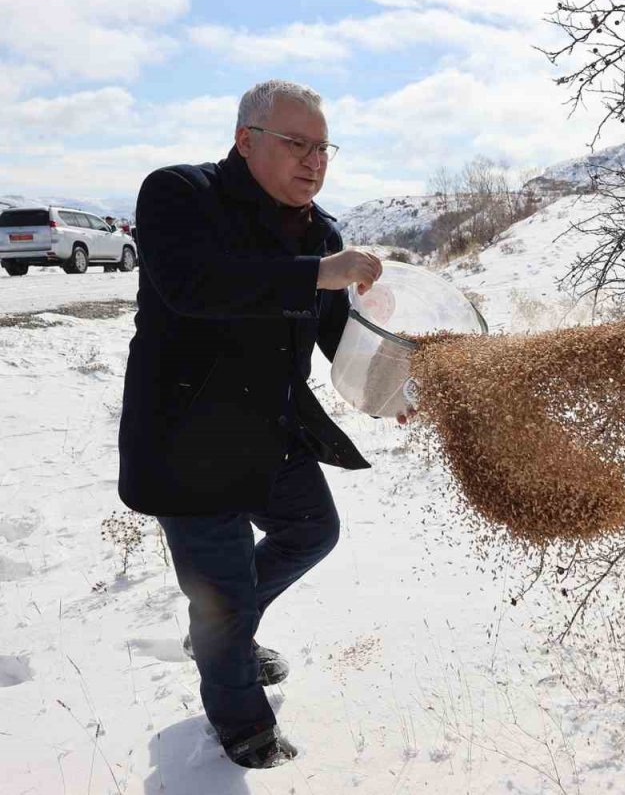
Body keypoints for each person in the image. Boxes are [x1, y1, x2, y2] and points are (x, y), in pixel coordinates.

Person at [118, 80, 386, 769]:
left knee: (312, 530)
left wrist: (394, 382)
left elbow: (336, 334)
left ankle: (221, 636)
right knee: (225, 596)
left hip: (269, 433)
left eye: (323, 148)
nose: (314, 161)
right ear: (246, 140)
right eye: (297, 144)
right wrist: (316, 273)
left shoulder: (321, 232)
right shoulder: (180, 194)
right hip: (186, 442)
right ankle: (243, 727)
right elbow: (197, 285)